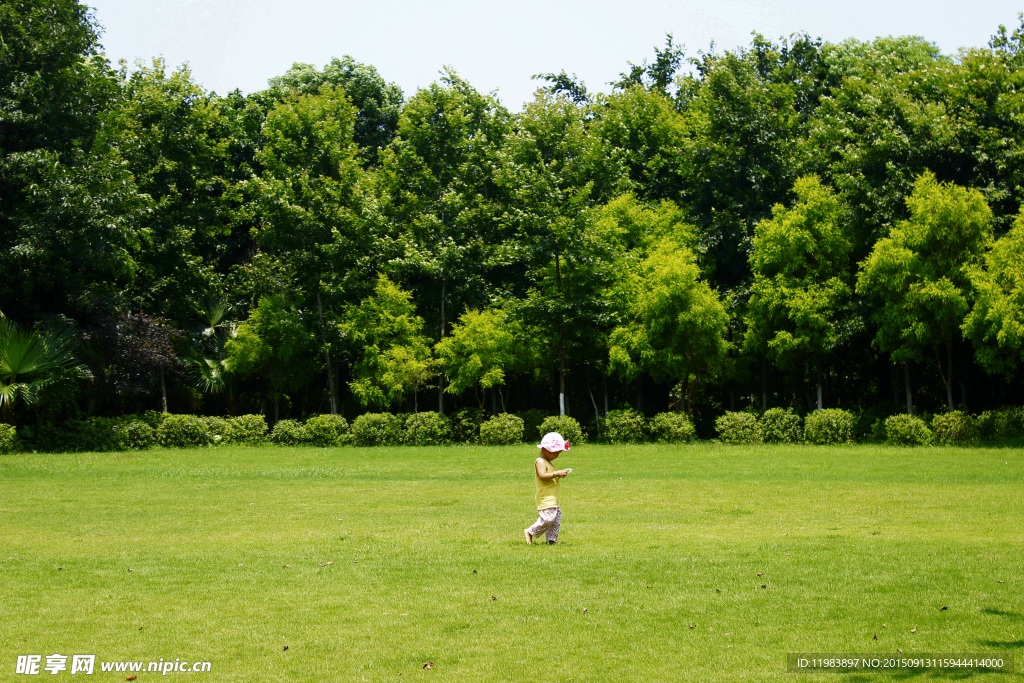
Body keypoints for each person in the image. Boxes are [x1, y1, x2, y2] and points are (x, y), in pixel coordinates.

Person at [524, 432, 571, 545]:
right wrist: (556, 474)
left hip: (553, 497)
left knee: (556, 519)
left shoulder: (547, 462)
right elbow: (542, 476)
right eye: (556, 453)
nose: (557, 456)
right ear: (547, 449)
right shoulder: (540, 462)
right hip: (545, 497)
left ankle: (551, 540)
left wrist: (559, 474)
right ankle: (530, 531)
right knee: (548, 518)